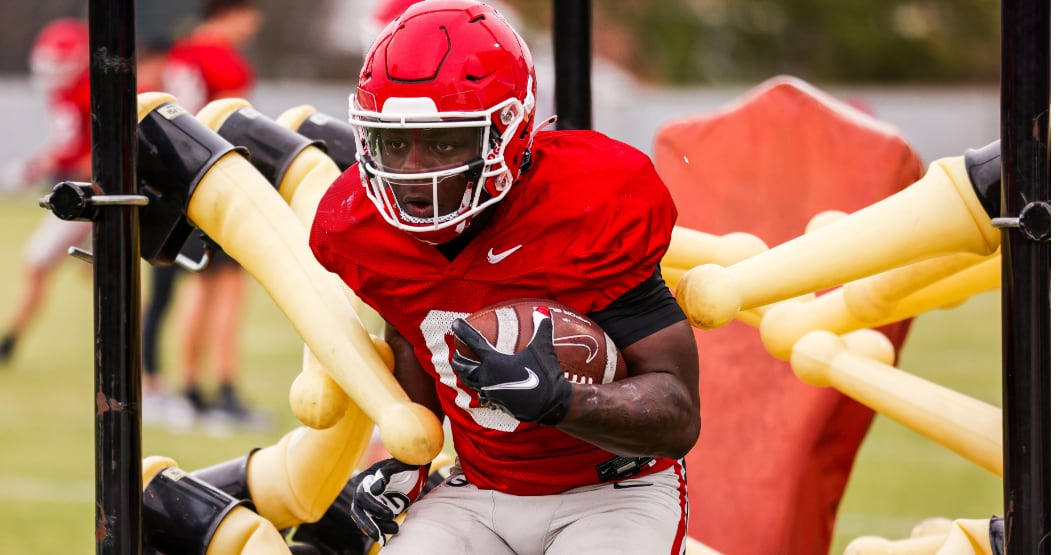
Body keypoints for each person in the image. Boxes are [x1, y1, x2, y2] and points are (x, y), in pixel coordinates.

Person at [308, 1, 701, 553]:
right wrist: (407, 461)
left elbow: (679, 412)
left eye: (445, 142)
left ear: (509, 130)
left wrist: (561, 401)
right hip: (477, 490)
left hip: (615, 489)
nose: (415, 173)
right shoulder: (358, 225)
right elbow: (411, 324)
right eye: (395, 143)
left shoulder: (589, 202)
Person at [145, 0, 267, 431]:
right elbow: (229, 124)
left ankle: (195, 387)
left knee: (198, 286)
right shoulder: (220, 60)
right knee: (223, 288)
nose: (255, 23)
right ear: (230, 12)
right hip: (216, 181)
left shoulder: (181, 54)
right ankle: (218, 388)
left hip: (182, 181)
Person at [0, 18, 92, 364]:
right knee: (103, 272)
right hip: (81, 190)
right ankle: (10, 341)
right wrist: (35, 167)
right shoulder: (66, 92)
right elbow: (64, 148)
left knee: (39, 263)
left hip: (88, 195)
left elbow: (96, 156)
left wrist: (46, 169)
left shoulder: (87, 91)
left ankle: (9, 341)